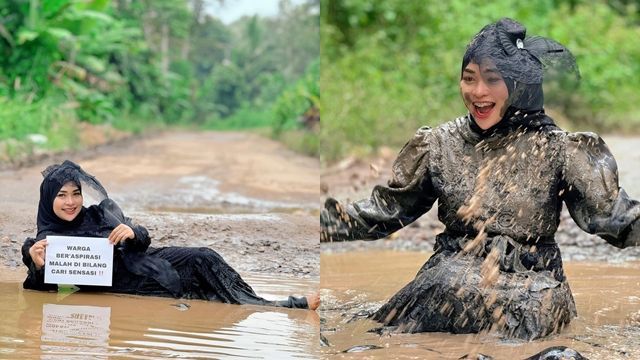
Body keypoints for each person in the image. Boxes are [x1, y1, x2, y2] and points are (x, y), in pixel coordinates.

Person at [321, 18, 640, 340]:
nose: (477, 92)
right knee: (396, 330)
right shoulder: (439, 144)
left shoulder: (557, 147)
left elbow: (614, 219)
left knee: (522, 338)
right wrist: (314, 226)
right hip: (448, 281)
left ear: (518, 85)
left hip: (533, 283)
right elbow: (385, 212)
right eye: (469, 79)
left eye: (492, 80)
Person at [23, 160, 320, 310]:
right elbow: (43, 292)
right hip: (131, 290)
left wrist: (131, 233)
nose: (71, 202)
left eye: (76, 193)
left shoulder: (98, 213)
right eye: (61, 195)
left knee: (204, 258)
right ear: (48, 199)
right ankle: (288, 307)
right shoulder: (42, 243)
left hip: (148, 265)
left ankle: (270, 305)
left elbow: (143, 237)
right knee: (204, 300)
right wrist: (37, 267)